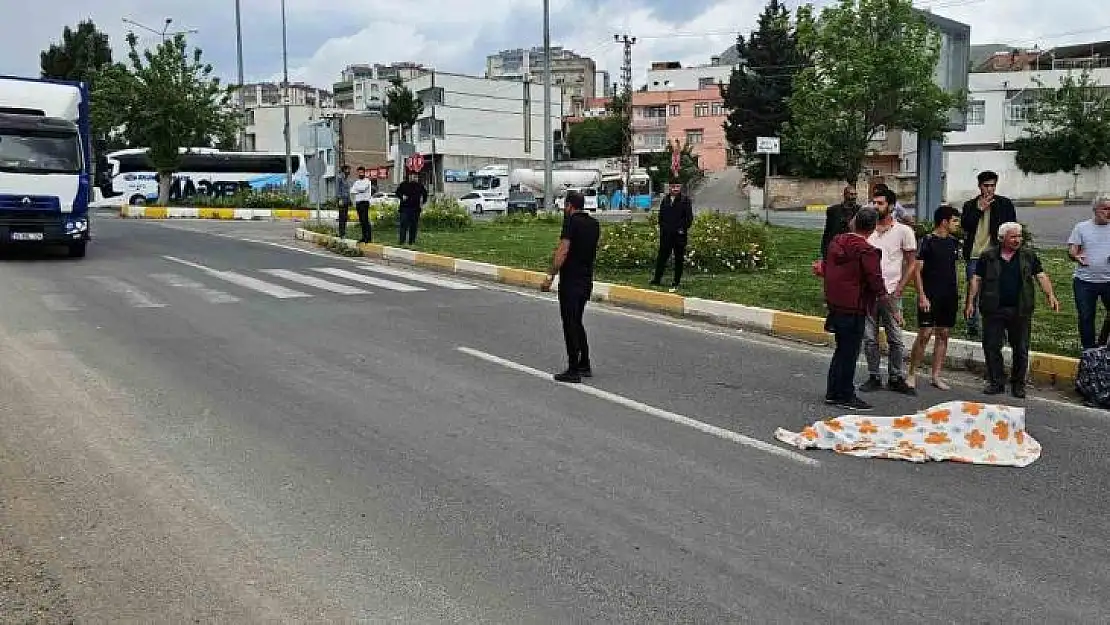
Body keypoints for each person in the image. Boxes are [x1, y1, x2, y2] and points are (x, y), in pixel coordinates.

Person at [966, 222, 1060, 398]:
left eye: (1019, 236)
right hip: (994, 309)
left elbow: (1040, 275)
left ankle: (1018, 384)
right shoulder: (988, 256)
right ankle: (996, 381)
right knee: (992, 346)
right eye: (1013, 237)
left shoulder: (1028, 256)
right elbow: (977, 279)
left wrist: (1050, 295)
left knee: (1021, 348)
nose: (1018, 240)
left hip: (1020, 310)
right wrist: (970, 302)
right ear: (1002, 239)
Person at [822, 206, 896, 411]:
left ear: (854, 222)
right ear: (872, 228)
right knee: (849, 352)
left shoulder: (836, 242)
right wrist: (891, 307)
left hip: (836, 305)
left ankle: (833, 391)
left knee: (841, 351)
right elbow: (875, 281)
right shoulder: (866, 251)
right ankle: (844, 394)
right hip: (854, 306)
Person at [860, 188, 917, 395]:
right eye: (873, 203)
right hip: (868, 293)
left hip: (892, 292)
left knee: (896, 338)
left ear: (892, 206)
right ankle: (874, 375)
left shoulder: (904, 231)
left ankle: (896, 376)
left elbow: (912, 263)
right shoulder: (867, 231)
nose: (876, 207)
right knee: (870, 338)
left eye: (880, 203)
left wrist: (900, 288)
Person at [541, 191, 601, 383]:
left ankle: (573, 369)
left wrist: (550, 276)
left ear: (569, 206)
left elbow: (563, 250)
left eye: (564, 207)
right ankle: (585, 363)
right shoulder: (594, 224)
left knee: (569, 324)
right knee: (578, 322)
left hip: (570, 282)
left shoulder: (571, 222)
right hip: (586, 281)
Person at [907, 205, 961, 391]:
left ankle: (936, 375)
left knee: (943, 334)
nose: (957, 224)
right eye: (954, 220)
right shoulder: (927, 241)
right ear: (944, 222)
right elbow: (917, 271)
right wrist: (922, 296)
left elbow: (952, 269)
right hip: (930, 295)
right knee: (925, 334)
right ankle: (912, 373)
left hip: (949, 295)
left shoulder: (954, 243)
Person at [960, 171, 1017, 338]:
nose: (989, 189)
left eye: (992, 185)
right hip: (975, 256)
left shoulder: (1004, 204)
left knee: (999, 292)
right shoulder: (970, 205)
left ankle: (1001, 327)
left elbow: (1011, 227)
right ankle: (972, 326)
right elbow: (966, 226)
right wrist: (979, 209)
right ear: (979, 186)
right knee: (973, 292)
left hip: (996, 256)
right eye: (986, 186)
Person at [1067, 195, 1110, 349]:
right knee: (1086, 317)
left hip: (1108, 281)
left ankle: (1102, 343)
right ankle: (1089, 351)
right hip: (1084, 282)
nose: (1109, 212)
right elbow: (1072, 250)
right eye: (1105, 209)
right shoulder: (1081, 227)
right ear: (1095, 210)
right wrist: (1076, 256)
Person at [650, 182, 694, 290]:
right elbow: (661, 217)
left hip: (679, 235)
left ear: (680, 187)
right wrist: (662, 228)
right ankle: (657, 279)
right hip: (666, 235)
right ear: (669, 187)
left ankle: (676, 281)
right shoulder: (665, 200)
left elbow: (688, 218)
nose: (675, 189)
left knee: (679, 259)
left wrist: (681, 229)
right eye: (673, 187)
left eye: (677, 186)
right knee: (662, 257)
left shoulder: (685, 200)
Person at [819, 185, 861, 261]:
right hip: (836, 247)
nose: (854, 197)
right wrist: (824, 251)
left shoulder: (860, 210)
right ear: (845, 195)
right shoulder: (833, 210)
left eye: (855, 194)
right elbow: (828, 231)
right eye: (851, 194)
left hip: (853, 248)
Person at [395, 170, 429, 245]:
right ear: (410, 176)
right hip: (405, 209)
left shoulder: (420, 185)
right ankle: (402, 241)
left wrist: (423, 202)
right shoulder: (404, 184)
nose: (415, 178)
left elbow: (425, 194)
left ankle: (411, 241)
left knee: (413, 226)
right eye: (413, 176)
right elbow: (397, 192)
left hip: (415, 209)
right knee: (403, 225)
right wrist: (402, 196)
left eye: (416, 177)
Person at [349, 166, 374, 243]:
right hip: (358, 203)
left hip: (364, 202)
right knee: (361, 221)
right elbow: (352, 191)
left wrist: (357, 189)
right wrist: (357, 190)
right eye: (359, 173)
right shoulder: (356, 182)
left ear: (364, 173)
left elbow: (363, 189)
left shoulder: (367, 181)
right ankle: (363, 237)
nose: (360, 174)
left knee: (365, 220)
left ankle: (368, 237)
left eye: (362, 172)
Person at [335, 164, 351, 239]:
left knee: (345, 217)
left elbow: (347, 191)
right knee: (342, 217)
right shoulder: (339, 177)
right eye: (348, 170)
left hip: (346, 200)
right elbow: (338, 190)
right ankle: (341, 233)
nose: (349, 171)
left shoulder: (346, 179)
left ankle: (343, 232)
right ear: (344, 170)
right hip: (341, 200)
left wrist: (349, 200)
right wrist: (339, 199)